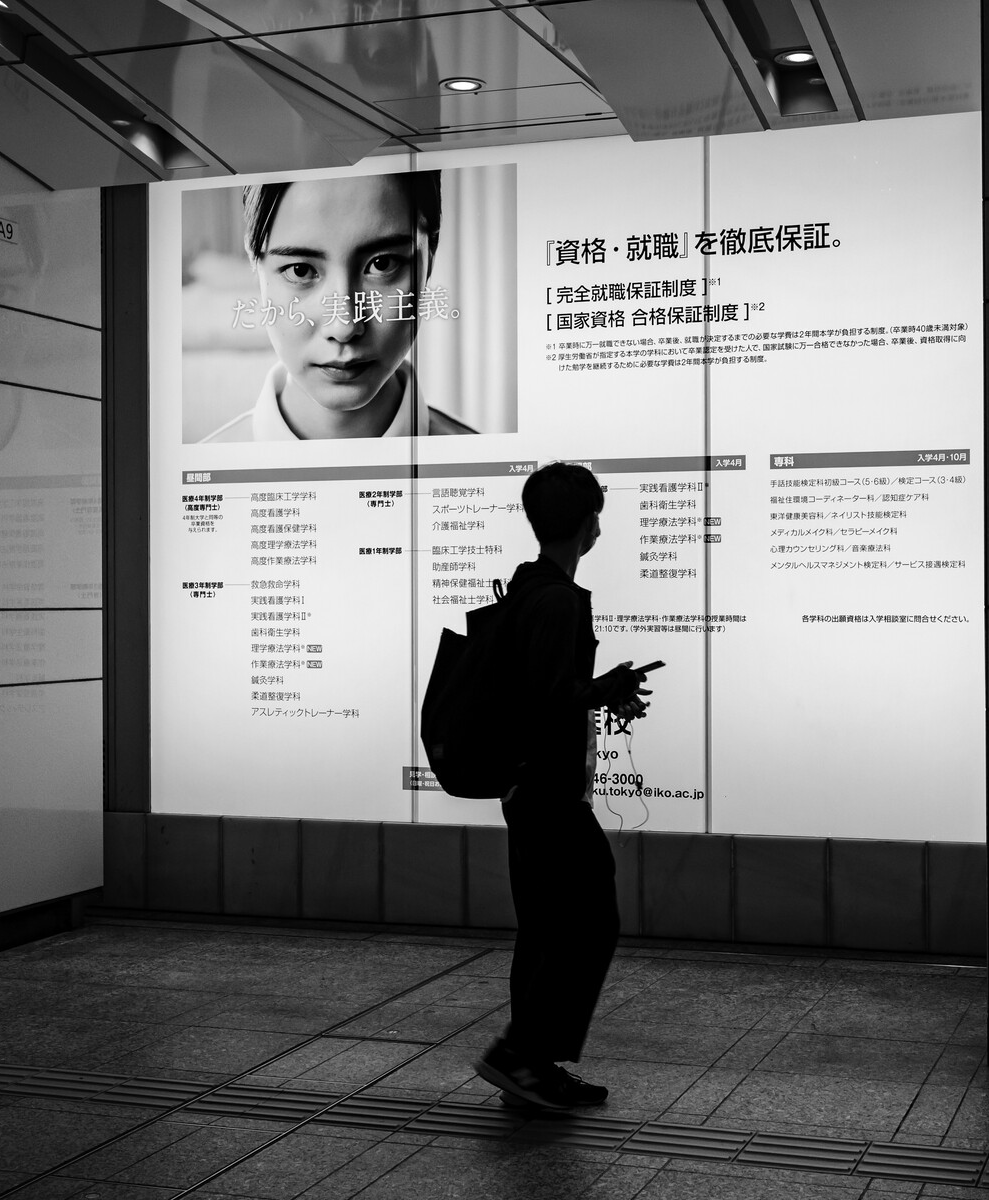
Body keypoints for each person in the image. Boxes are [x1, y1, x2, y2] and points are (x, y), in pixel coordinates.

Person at [474, 462, 656, 1110]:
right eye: (597, 515)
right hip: (548, 790)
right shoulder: (555, 598)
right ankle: (520, 1054)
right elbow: (550, 698)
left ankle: (529, 1070)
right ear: (586, 524)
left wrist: (603, 691)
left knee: (548, 926)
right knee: (589, 918)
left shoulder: (530, 589)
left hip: (528, 787)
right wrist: (604, 688)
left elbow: (544, 688)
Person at [236, 171, 473, 440]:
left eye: (382, 264)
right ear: (254, 261)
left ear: (430, 256)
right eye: (301, 270)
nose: (344, 327)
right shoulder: (209, 459)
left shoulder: (488, 461)